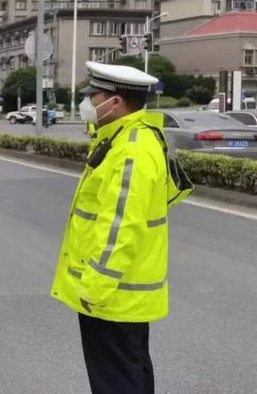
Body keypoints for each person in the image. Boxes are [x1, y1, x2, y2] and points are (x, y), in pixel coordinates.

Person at [50, 61, 180, 394]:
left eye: (93, 96)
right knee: (130, 374)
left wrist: (95, 288)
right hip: (123, 293)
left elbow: (121, 228)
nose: (87, 104)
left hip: (113, 296)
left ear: (116, 102)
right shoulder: (127, 136)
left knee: (116, 381)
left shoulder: (130, 152)